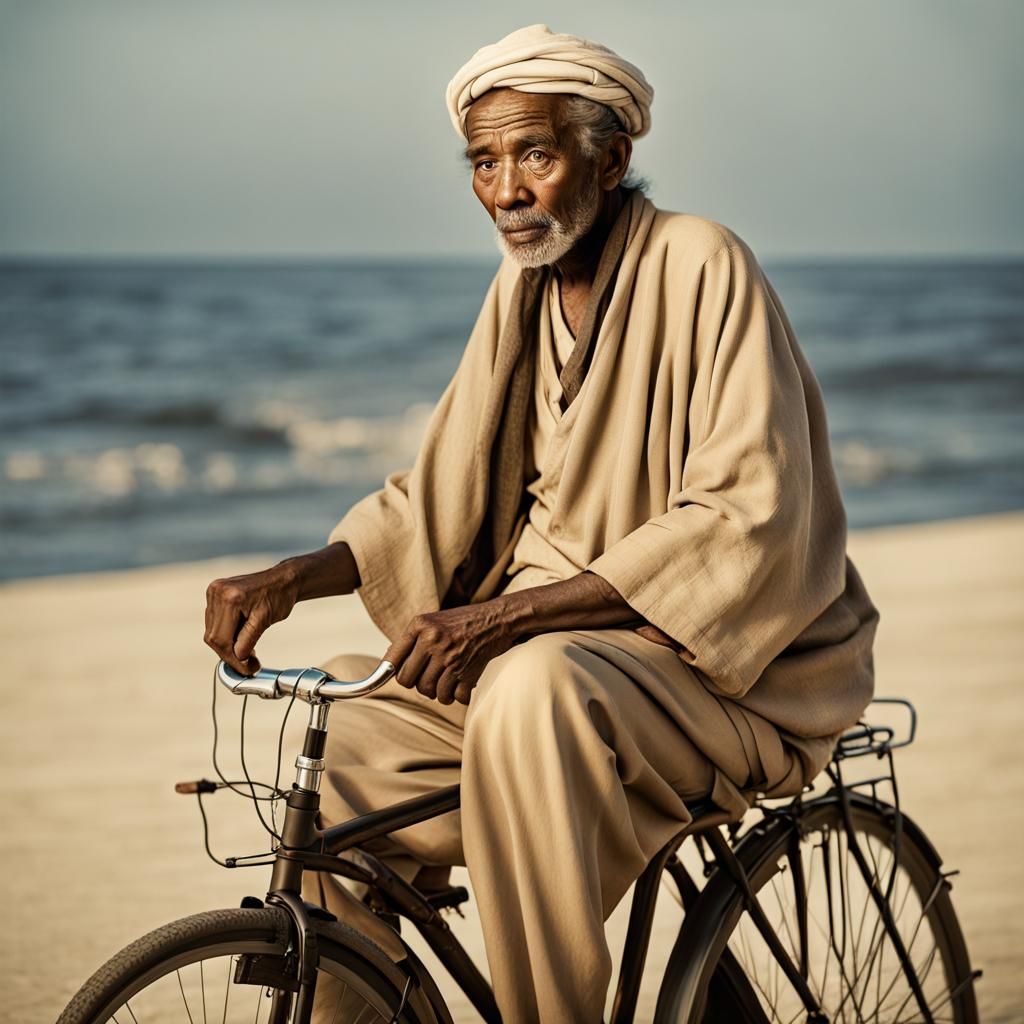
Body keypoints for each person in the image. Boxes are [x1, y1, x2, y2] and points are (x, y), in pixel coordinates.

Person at [203, 24, 880, 1023]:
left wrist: (502, 622)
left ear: (608, 159)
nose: (506, 188)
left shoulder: (703, 263)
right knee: (336, 725)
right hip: (552, 662)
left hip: (719, 674)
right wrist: (291, 576)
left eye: (535, 153)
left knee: (526, 685)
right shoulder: (516, 296)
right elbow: (435, 496)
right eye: (484, 161)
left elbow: (745, 514)